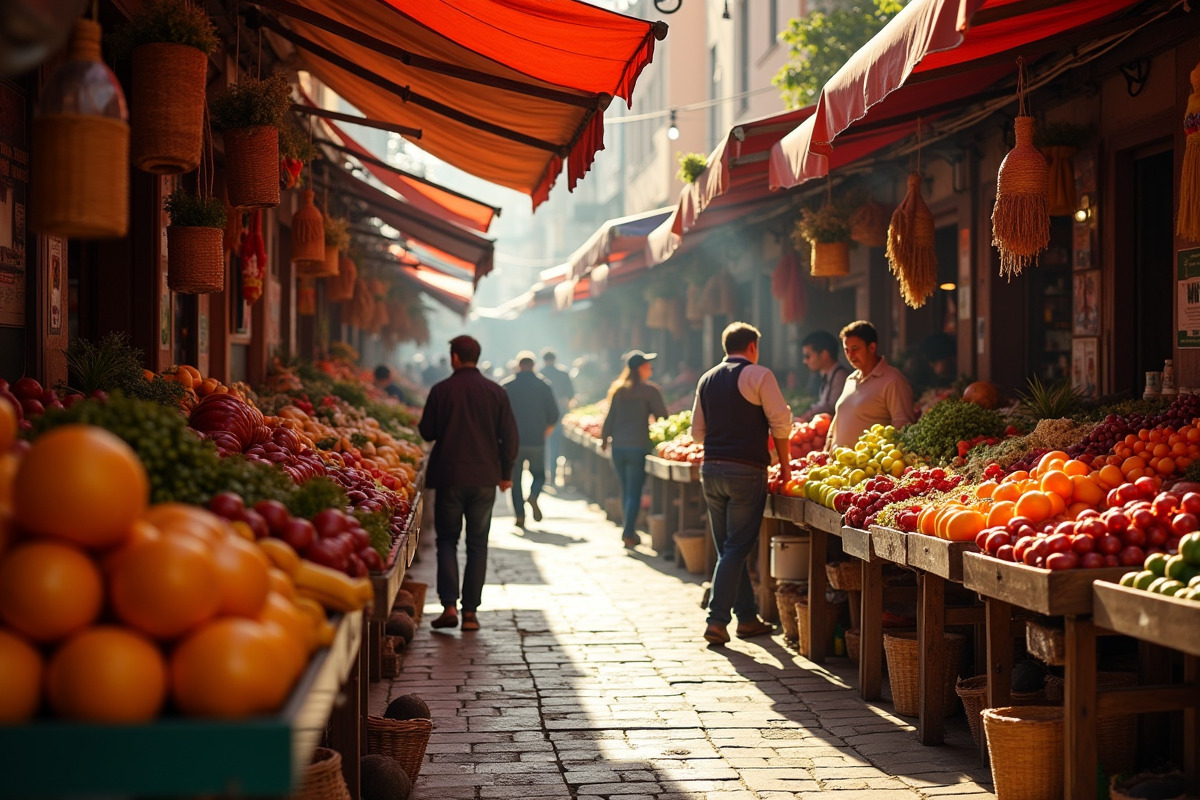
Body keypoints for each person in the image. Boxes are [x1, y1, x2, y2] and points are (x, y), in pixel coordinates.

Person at [692, 322, 792, 646]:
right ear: (752, 347)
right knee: (735, 548)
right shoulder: (759, 375)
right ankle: (717, 620)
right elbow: (780, 423)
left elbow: (697, 433)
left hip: (711, 471)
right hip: (746, 471)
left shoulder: (706, 379)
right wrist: (786, 469)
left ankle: (747, 618)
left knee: (728, 549)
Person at [418, 335, 519, 632]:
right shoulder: (495, 392)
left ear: (454, 357)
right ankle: (471, 614)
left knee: (447, 540)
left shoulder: (441, 390)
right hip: (485, 478)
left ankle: (449, 605)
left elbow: (427, 432)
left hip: (449, 477)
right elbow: (510, 437)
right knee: (477, 544)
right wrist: (506, 473)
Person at [599, 350, 668, 548]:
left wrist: (605, 440)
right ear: (640, 368)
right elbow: (662, 417)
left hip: (618, 447)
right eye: (648, 365)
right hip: (637, 446)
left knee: (626, 489)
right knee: (633, 491)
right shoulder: (650, 391)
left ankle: (628, 529)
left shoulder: (618, 390)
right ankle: (628, 532)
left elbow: (609, 419)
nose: (651, 369)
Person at [827, 320, 917, 449]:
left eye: (855, 349)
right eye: (846, 350)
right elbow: (839, 418)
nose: (850, 355)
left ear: (872, 348)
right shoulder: (851, 379)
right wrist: (829, 444)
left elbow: (903, 426)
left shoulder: (893, 380)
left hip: (870, 466)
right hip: (839, 465)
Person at [500, 351, 559, 527]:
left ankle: (520, 515)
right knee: (539, 474)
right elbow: (554, 414)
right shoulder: (543, 385)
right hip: (536, 440)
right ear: (534, 366)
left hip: (513, 442)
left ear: (518, 365)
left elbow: (498, 415)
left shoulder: (507, 386)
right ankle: (533, 494)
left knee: (515, 478)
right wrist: (546, 431)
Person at [539, 348, 575, 486]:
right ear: (555, 359)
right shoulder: (563, 374)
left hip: (542, 416)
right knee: (555, 444)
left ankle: (545, 474)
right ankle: (552, 475)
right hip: (559, 414)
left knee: (544, 446)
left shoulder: (540, 374)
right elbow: (571, 394)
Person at [799, 330, 850, 420]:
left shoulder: (840, 376)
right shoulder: (825, 375)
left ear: (824, 354)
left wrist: (806, 415)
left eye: (808, 356)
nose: (805, 361)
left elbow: (832, 408)